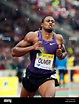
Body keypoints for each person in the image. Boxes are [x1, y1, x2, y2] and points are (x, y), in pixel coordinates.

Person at [11, 15, 67, 97]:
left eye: (53, 21)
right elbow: (14, 52)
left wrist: (60, 55)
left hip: (48, 76)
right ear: (42, 24)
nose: (51, 22)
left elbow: (64, 53)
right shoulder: (33, 36)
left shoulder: (59, 38)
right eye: (48, 21)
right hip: (31, 75)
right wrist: (32, 47)